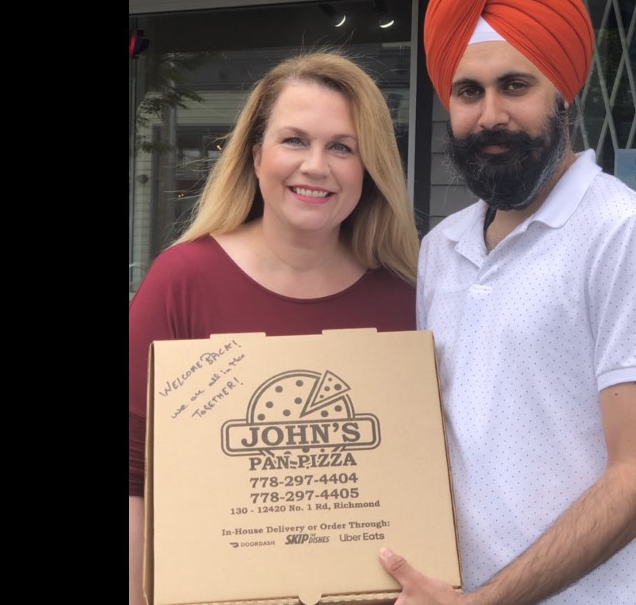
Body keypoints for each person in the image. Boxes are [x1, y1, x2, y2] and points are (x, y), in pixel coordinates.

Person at [377, 0, 636, 603]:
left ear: (564, 94)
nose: (490, 115)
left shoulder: (626, 234)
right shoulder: (442, 248)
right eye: (468, 92)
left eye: (515, 85)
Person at [128, 50, 421, 605]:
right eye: (294, 140)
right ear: (256, 155)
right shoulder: (184, 280)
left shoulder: (406, 301)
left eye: (342, 147)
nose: (316, 165)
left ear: (370, 168)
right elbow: (131, 470)